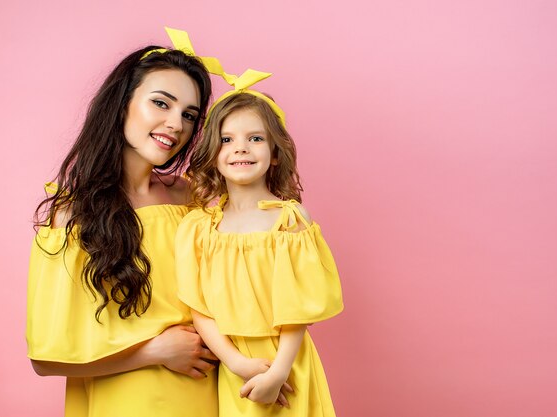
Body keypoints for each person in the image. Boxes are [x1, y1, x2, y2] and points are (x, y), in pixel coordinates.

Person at [26, 29, 219, 417]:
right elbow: (45, 360)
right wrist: (155, 352)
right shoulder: (72, 215)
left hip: (207, 396)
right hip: (127, 402)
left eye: (188, 115)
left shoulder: (193, 200)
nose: (175, 124)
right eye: (160, 103)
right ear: (122, 103)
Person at [176, 67, 344, 416]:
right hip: (233, 368)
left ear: (275, 152)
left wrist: (278, 372)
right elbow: (199, 308)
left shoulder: (290, 220)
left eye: (255, 138)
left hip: (287, 364)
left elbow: (296, 309)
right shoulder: (199, 227)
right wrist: (236, 362)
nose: (241, 149)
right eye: (227, 139)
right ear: (213, 152)